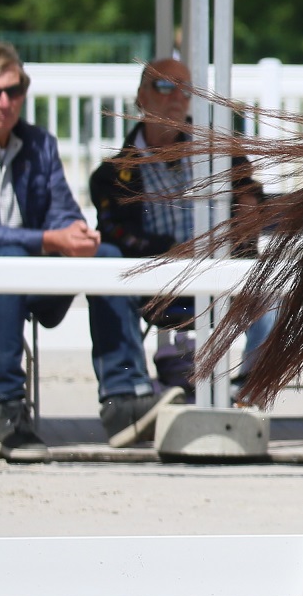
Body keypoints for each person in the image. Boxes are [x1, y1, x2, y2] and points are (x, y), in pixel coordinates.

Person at [0, 43, 178, 460]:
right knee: (8, 262)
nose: (5, 102)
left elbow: (60, 210)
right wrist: (49, 241)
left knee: (107, 257)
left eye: (15, 90)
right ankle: (8, 412)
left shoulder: (39, 143)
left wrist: (75, 234)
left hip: (19, 271)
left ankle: (124, 401)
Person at [90, 58, 264, 389]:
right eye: (166, 86)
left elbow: (252, 194)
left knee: (271, 288)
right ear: (142, 95)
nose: (177, 98)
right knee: (107, 272)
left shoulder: (216, 149)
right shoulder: (112, 173)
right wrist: (169, 251)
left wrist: (247, 213)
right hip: (157, 286)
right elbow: (115, 233)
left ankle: (250, 392)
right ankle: (132, 393)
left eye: (186, 90)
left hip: (222, 275)